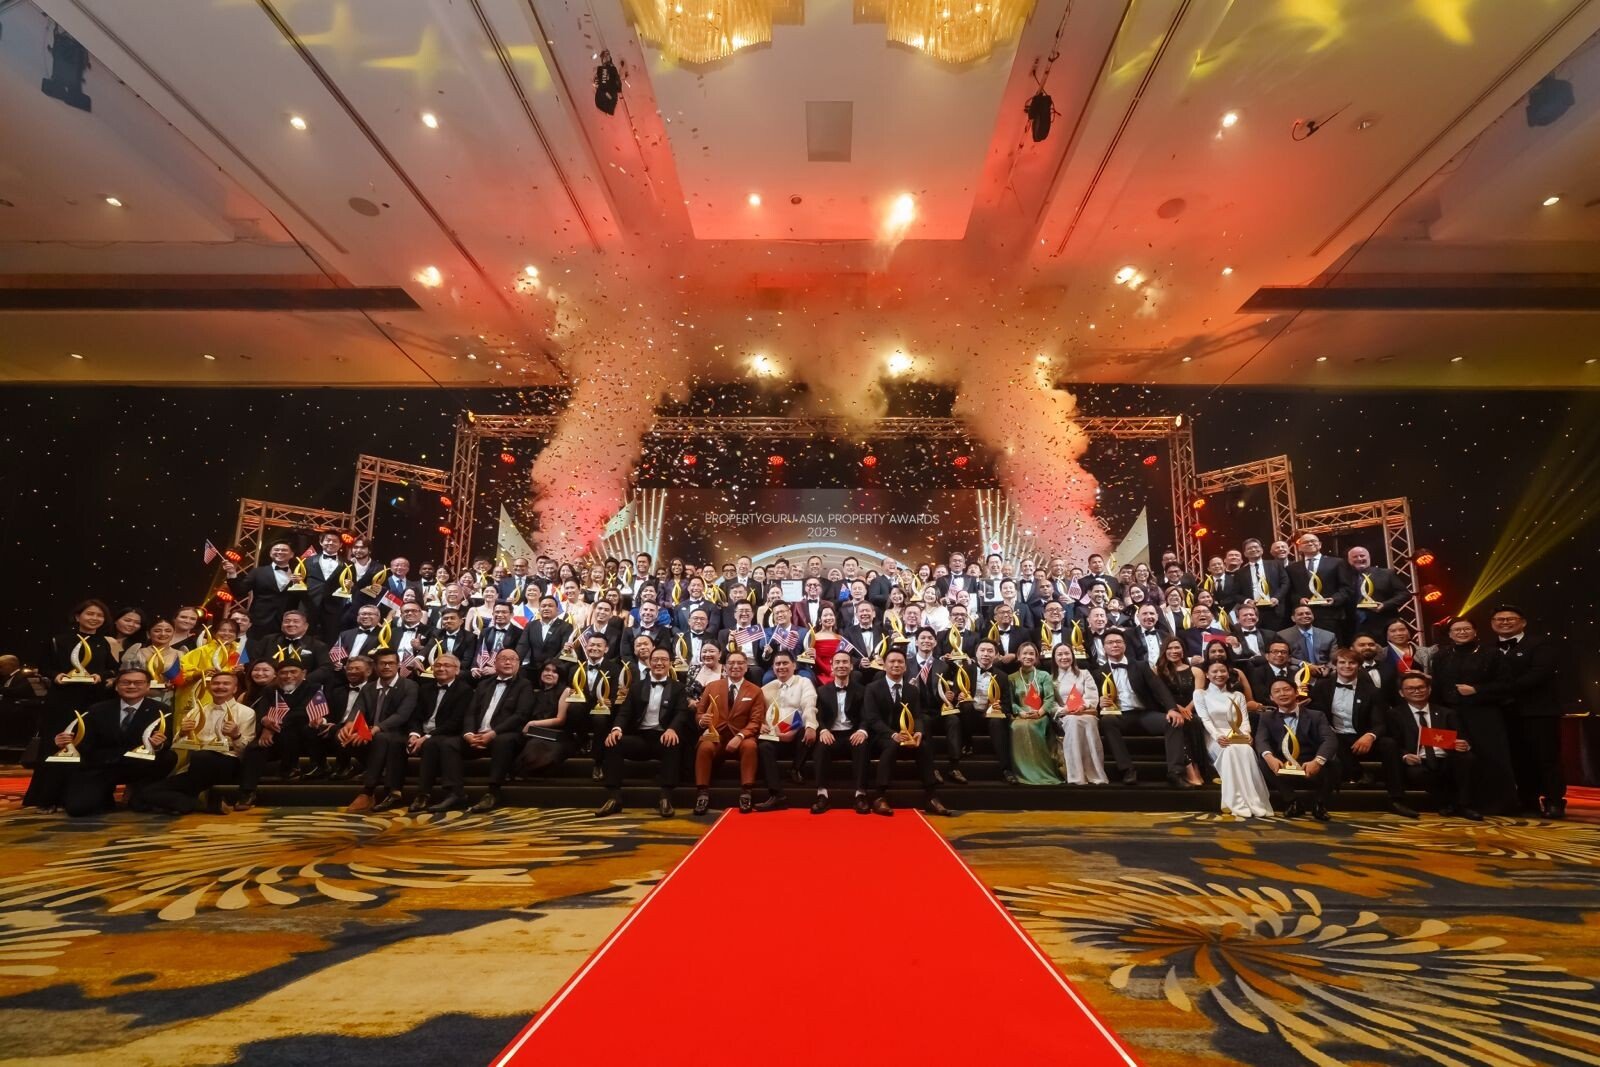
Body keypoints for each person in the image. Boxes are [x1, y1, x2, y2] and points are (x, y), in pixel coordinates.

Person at [48, 668, 174, 817]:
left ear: (148, 687)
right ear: (116, 686)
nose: (131, 686)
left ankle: (140, 791)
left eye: (138, 683)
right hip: (104, 766)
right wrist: (67, 744)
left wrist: (158, 745)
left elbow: (166, 741)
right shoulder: (97, 710)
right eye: (125, 682)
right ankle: (104, 796)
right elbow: (86, 743)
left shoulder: (161, 710)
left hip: (140, 767)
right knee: (78, 809)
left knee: (169, 757)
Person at [1428, 617, 1517, 814]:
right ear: (1450, 634)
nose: (1462, 632)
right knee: (1456, 757)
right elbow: (1437, 686)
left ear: (1475, 631)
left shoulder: (1492, 654)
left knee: (1490, 756)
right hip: (1451, 715)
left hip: (1485, 714)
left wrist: (1477, 689)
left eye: (1466, 628)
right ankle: (1458, 802)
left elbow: (1506, 685)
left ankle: (1496, 804)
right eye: (1457, 630)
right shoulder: (1441, 656)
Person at [142, 671, 256, 815]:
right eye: (216, 683)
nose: (220, 686)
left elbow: (246, 750)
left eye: (226, 684)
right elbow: (177, 745)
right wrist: (183, 733)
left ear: (235, 689)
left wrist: (236, 735)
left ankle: (182, 803)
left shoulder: (246, 712)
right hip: (196, 765)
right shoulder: (196, 711)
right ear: (209, 687)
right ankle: (198, 803)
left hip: (228, 762)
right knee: (143, 795)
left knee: (202, 757)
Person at [1490, 604, 1566, 818]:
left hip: (1539, 712)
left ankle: (1554, 801)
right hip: (1506, 713)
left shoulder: (1540, 644)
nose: (1504, 622)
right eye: (1499, 619)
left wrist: (1497, 688)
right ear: (1492, 624)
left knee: (1547, 758)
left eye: (1510, 618)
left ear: (1523, 622)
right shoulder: (1488, 648)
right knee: (1518, 758)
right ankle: (1527, 800)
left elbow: (1539, 674)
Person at [597, 648, 687, 818]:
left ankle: (665, 798)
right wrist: (616, 729)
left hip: (663, 737)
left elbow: (681, 712)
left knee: (674, 743)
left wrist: (672, 729)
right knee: (613, 742)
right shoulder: (637, 687)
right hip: (641, 738)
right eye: (655, 659)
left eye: (663, 660)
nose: (659, 663)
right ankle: (614, 798)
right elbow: (625, 712)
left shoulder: (678, 688)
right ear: (649, 662)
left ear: (670, 663)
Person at [1379, 671, 1480, 820]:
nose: (1417, 691)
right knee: (1417, 773)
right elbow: (1393, 742)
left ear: (1429, 690)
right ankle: (1448, 803)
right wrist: (1405, 755)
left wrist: (1464, 744)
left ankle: (1464, 805)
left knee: (1467, 758)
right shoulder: (1394, 714)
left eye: (1421, 687)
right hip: (1417, 761)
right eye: (1410, 688)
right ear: (1401, 693)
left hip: (1445, 758)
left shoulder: (1447, 713)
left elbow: (1463, 738)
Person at [862, 649, 950, 816]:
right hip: (881, 736)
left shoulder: (912, 690)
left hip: (907, 735)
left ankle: (932, 797)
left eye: (900, 662)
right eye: (892, 661)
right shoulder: (872, 688)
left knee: (924, 746)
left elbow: (917, 716)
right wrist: (892, 734)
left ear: (905, 666)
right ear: (884, 665)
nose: (896, 665)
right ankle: (880, 796)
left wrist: (918, 732)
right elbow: (872, 719)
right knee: (891, 746)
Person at [1094, 631, 1186, 788]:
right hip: (1119, 716)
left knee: (1173, 721)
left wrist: (1172, 708)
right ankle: (1127, 769)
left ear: (1125, 645)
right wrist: (1099, 702)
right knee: (1107, 721)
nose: (1115, 645)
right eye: (1110, 642)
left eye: (1118, 642)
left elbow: (1159, 688)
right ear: (1104, 648)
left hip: (1145, 714)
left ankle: (1175, 772)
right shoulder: (1097, 672)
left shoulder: (1140, 666)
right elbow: (1093, 697)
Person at [1192, 661, 1273, 818]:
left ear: (1228, 674)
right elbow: (1205, 719)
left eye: (1223, 671)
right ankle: (1235, 800)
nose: (1219, 674)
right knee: (1229, 750)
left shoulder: (1238, 695)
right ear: (1207, 675)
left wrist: (1247, 734)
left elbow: (1244, 720)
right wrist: (1217, 736)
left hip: (1237, 734)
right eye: (1214, 671)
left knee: (1246, 750)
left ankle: (1254, 800)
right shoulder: (1200, 694)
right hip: (1215, 736)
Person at [344, 648, 419, 813]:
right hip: (371, 731)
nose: (387, 666)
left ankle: (368, 791)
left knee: (381, 738)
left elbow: (402, 715)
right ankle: (377, 768)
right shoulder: (369, 688)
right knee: (342, 735)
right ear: (375, 667)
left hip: (398, 733)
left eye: (391, 663)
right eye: (382, 663)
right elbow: (358, 709)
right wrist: (350, 723)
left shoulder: (409, 686)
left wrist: (376, 728)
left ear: (398, 665)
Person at [691, 649, 764, 815]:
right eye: (731, 663)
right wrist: (702, 720)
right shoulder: (712, 686)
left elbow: (755, 722)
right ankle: (702, 793)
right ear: (725, 666)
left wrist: (740, 736)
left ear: (746, 667)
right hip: (716, 735)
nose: (735, 666)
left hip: (741, 736)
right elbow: (699, 713)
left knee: (750, 746)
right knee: (704, 746)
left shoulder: (755, 691)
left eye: (740, 663)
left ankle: (746, 792)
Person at [1254, 679, 1337, 820]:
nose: (1282, 694)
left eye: (1286, 689)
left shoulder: (1316, 715)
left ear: (1296, 692)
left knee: (1334, 761)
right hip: (1282, 763)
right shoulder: (1266, 717)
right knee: (1263, 760)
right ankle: (1292, 801)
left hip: (1309, 762)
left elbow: (1329, 739)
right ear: (1271, 697)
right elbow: (1261, 740)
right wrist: (1269, 757)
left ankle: (1319, 804)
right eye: (1277, 691)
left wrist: (1317, 761)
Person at [1306, 647, 1388, 787]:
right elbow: (1315, 714)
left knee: (1389, 744)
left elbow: (1380, 722)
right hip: (1335, 735)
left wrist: (1370, 736)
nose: (1347, 666)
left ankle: (1395, 793)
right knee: (1333, 739)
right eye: (1342, 662)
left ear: (1359, 666)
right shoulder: (1322, 686)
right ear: (1335, 665)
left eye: (1352, 662)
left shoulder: (1372, 691)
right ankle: (1359, 774)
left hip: (1361, 736)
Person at [403, 653, 475, 812]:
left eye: (447, 665)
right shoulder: (425, 688)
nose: (441, 668)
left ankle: (425, 793)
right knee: (394, 741)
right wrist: (414, 734)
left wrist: (427, 737)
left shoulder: (464, 690)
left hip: (447, 734)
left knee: (431, 744)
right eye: (438, 665)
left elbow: (456, 722)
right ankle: (392, 791)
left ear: (457, 670)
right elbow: (416, 716)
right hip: (423, 734)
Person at [754, 650, 818, 811]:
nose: (781, 667)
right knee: (763, 746)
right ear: (773, 668)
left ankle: (796, 769)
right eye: (777, 664)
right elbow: (757, 711)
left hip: (797, 734)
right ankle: (777, 795)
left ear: (794, 665)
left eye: (785, 663)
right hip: (775, 735)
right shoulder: (766, 688)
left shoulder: (804, 682)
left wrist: (809, 725)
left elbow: (809, 705)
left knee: (808, 729)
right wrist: (761, 724)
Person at [812, 649, 871, 813]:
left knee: (863, 746)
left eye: (845, 662)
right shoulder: (821, 691)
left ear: (851, 666)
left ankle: (860, 795)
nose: (841, 665)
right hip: (831, 734)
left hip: (853, 733)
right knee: (820, 747)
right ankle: (822, 794)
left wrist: (862, 731)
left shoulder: (862, 690)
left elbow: (867, 715)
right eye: (837, 662)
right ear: (832, 666)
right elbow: (818, 716)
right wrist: (823, 730)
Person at [1006, 642, 1062, 785]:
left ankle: (1042, 770)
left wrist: (1040, 712)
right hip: (1020, 715)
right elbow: (1010, 702)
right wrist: (1020, 712)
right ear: (1018, 656)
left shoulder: (1044, 675)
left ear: (1036, 657)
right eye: (1024, 653)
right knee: (1018, 727)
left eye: (1031, 654)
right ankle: (1023, 771)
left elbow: (1049, 698)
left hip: (1040, 715)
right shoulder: (1011, 678)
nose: (1028, 656)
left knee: (1032, 726)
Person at [1050, 644, 1105, 785]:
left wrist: (1083, 705)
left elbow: (1092, 695)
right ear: (1054, 658)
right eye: (1060, 654)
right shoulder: (1051, 679)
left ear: (1073, 656)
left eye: (1067, 653)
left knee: (1089, 721)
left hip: (1084, 712)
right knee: (1073, 721)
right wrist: (1064, 710)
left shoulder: (1084, 673)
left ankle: (1094, 772)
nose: (1064, 657)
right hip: (1065, 715)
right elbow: (1051, 702)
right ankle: (1076, 775)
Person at [223, 540, 308, 631]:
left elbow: (304, 600)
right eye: (276, 550)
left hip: (286, 623)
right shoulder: (258, 572)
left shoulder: (299, 575)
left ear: (292, 554)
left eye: (284, 550)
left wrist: (299, 584)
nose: (279, 552)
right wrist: (232, 573)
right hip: (259, 621)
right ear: (270, 553)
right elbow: (239, 592)